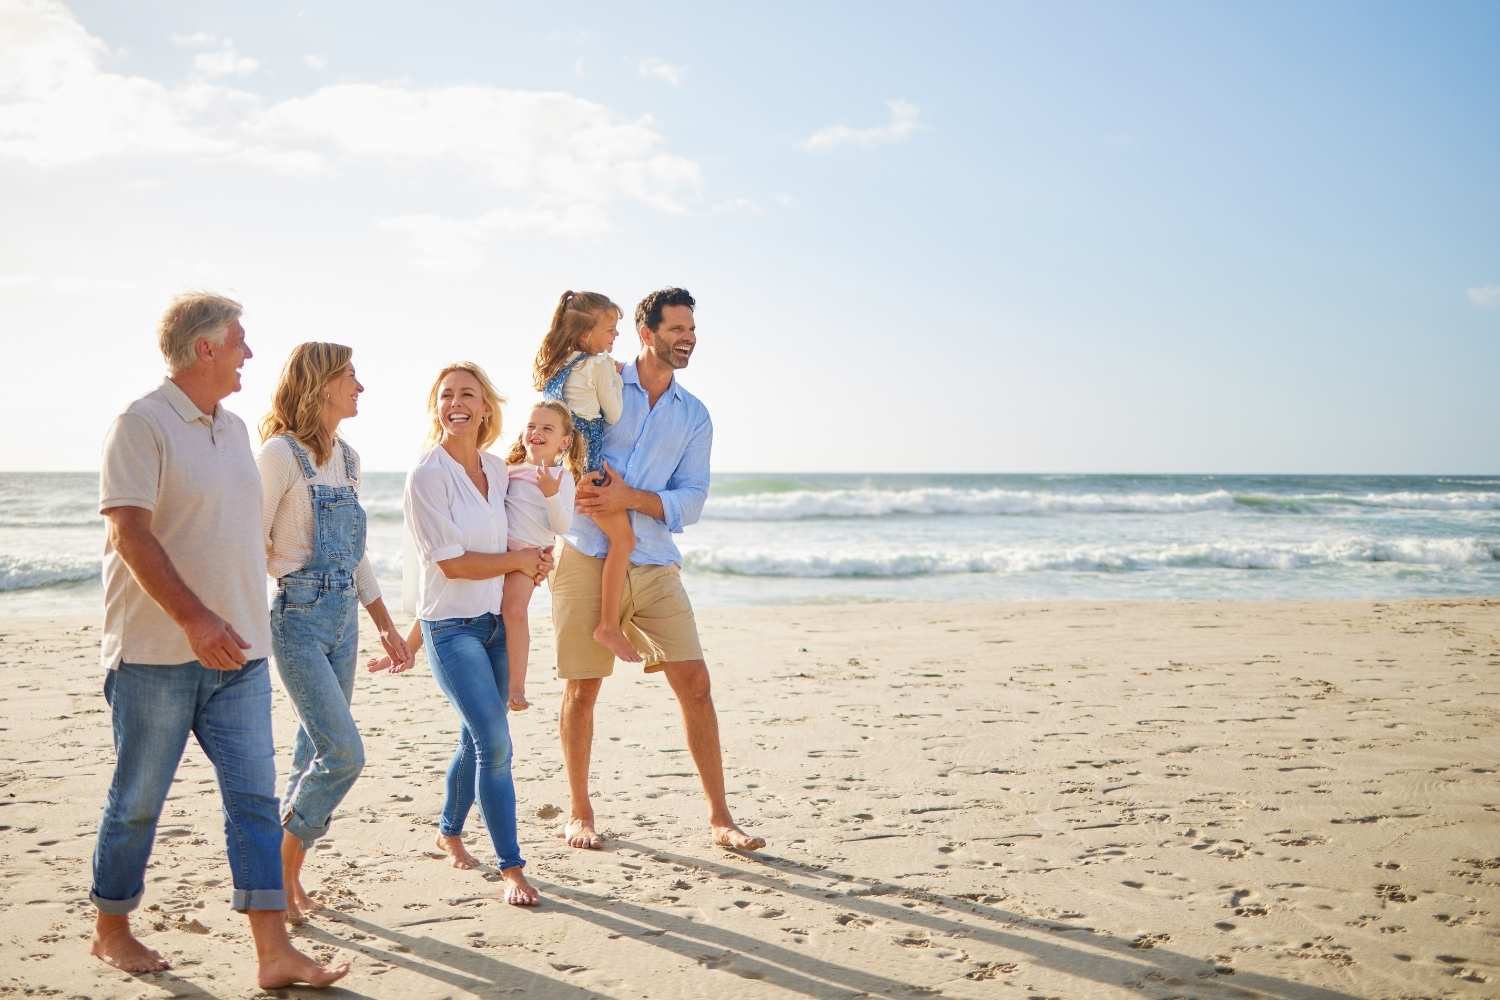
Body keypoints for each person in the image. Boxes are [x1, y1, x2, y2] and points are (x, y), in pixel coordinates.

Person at [90, 292, 348, 988]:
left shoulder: (235, 431)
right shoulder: (140, 424)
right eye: (239, 341)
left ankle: (272, 953)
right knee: (139, 798)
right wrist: (195, 620)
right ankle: (111, 927)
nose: (249, 354)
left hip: (242, 657)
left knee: (255, 803)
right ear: (205, 348)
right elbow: (130, 533)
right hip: (155, 659)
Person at [552, 287, 765, 853]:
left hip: (653, 564)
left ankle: (721, 818)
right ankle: (579, 811)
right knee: (583, 687)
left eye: (691, 330)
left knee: (695, 683)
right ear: (647, 333)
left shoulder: (693, 416)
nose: (687, 338)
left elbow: (690, 501)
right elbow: (551, 443)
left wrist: (629, 497)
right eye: (676, 329)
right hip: (584, 556)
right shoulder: (597, 381)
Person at [256, 342, 412, 925]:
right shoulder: (278, 455)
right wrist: (263, 597)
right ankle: (280, 864)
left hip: (344, 615)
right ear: (320, 384)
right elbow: (252, 539)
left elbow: (355, 553)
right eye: (351, 376)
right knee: (343, 754)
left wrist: (385, 624)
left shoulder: (347, 459)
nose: (360, 387)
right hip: (296, 619)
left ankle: (287, 880)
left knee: (310, 750)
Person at [402, 362, 553, 905]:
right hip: (450, 630)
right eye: (446, 395)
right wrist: (518, 558)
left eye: (469, 394)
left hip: (496, 627)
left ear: (487, 406)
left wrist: (539, 558)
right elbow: (453, 565)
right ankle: (512, 867)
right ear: (436, 405)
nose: (456, 403)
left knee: (474, 736)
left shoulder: (496, 468)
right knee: (495, 742)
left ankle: (449, 830)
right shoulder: (427, 476)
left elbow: (529, 525)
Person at [375, 399, 580, 712]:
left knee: (514, 611)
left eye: (547, 428)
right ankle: (408, 650)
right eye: (531, 426)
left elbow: (562, 525)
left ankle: (517, 686)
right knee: (445, 597)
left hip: (527, 559)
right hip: (497, 551)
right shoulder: (506, 470)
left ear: (564, 441)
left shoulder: (562, 479)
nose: (536, 432)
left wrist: (550, 493)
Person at [533, 291, 639, 664]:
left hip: (564, 471)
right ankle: (608, 625)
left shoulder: (558, 367)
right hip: (590, 471)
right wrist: (614, 377)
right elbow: (614, 415)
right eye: (609, 330)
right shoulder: (596, 365)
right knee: (623, 540)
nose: (614, 337)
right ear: (585, 334)